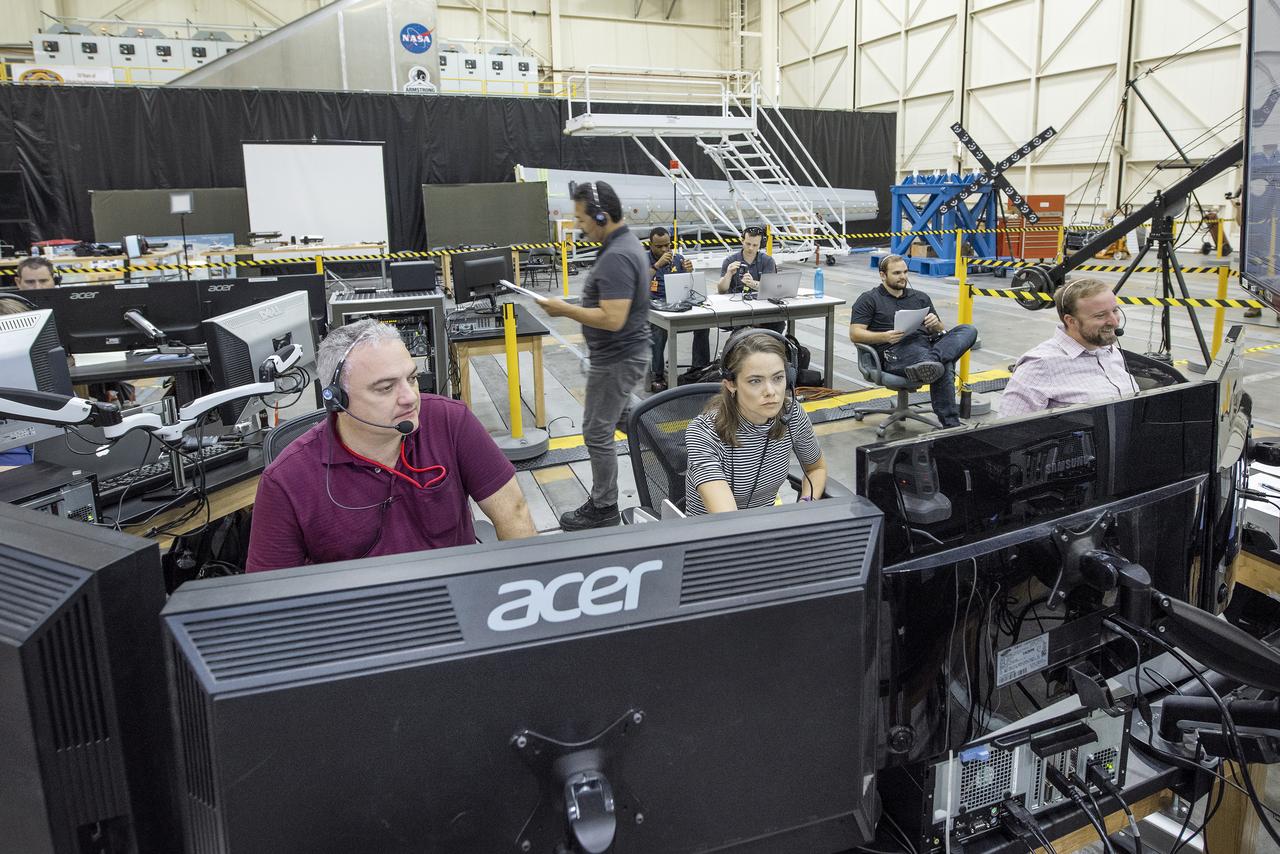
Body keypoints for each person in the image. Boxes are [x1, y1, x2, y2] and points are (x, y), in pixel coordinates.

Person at [245, 318, 536, 571]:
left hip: (457, 598)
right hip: (361, 622)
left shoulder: (449, 421)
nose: (410, 397)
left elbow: (514, 511)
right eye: (386, 388)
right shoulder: (286, 481)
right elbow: (269, 594)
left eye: (412, 379)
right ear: (337, 400)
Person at [540, 180, 651, 531]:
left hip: (617, 358)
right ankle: (676, 453)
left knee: (596, 432)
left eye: (582, 218)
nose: (578, 225)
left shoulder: (617, 255)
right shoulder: (621, 244)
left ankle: (604, 506)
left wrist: (565, 311)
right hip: (625, 354)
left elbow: (613, 318)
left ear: (602, 216)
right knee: (630, 420)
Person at [685, 329, 826, 515]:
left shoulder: (791, 415)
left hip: (764, 527)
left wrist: (806, 503)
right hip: (715, 535)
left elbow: (816, 468)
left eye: (778, 378)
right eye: (755, 381)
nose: (770, 391)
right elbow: (728, 518)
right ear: (731, 384)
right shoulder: (704, 432)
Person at [849, 254, 977, 428]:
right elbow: (855, 334)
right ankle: (950, 425)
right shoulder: (869, 299)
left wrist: (936, 325)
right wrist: (884, 336)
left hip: (926, 346)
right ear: (882, 275)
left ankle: (931, 362)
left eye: (905, 272)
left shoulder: (920, 297)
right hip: (894, 352)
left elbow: (940, 329)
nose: (903, 277)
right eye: (896, 273)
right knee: (945, 365)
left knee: (968, 330)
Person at [999, 278, 1137, 418]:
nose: (1114, 322)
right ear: (1071, 321)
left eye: (1115, 310)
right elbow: (1006, 431)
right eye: (1100, 315)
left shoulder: (1109, 351)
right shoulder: (1039, 365)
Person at [645, 226, 695, 392]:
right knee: (658, 331)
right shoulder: (642, 260)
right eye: (659, 246)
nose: (665, 249)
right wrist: (657, 265)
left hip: (676, 305)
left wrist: (689, 272)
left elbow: (688, 286)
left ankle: (698, 369)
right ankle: (657, 374)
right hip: (652, 309)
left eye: (667, 245)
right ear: (650, 245)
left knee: (702, 327)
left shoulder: (677, 259)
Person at [716, 226, 784, 333]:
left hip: (762, 308)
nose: (751, 248)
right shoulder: (730, 261)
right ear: (742, 241)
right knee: (741, 326)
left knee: (778, 323)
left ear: (760, 245)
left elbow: (771, 289)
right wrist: (728, 274)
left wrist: (753, 284)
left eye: (755, 245)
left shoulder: (767, 261)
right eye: (748, 244)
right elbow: (721, 290)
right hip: (738, 310)